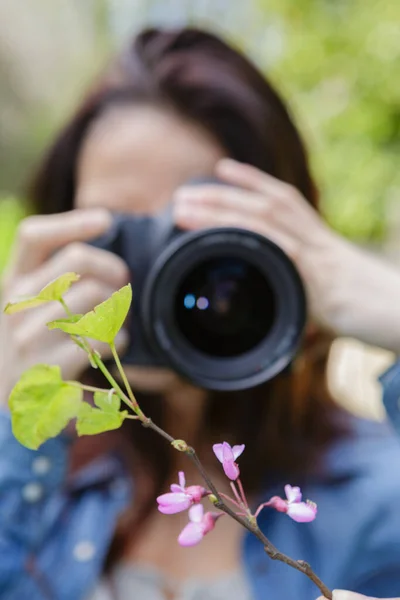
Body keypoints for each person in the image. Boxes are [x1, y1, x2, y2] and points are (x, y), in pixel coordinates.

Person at [1, 27, 400, 600]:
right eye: (124, 234)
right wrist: (15, 420)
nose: (159, 275)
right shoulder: (35, 481)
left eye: (192, 237)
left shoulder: (379, 494)